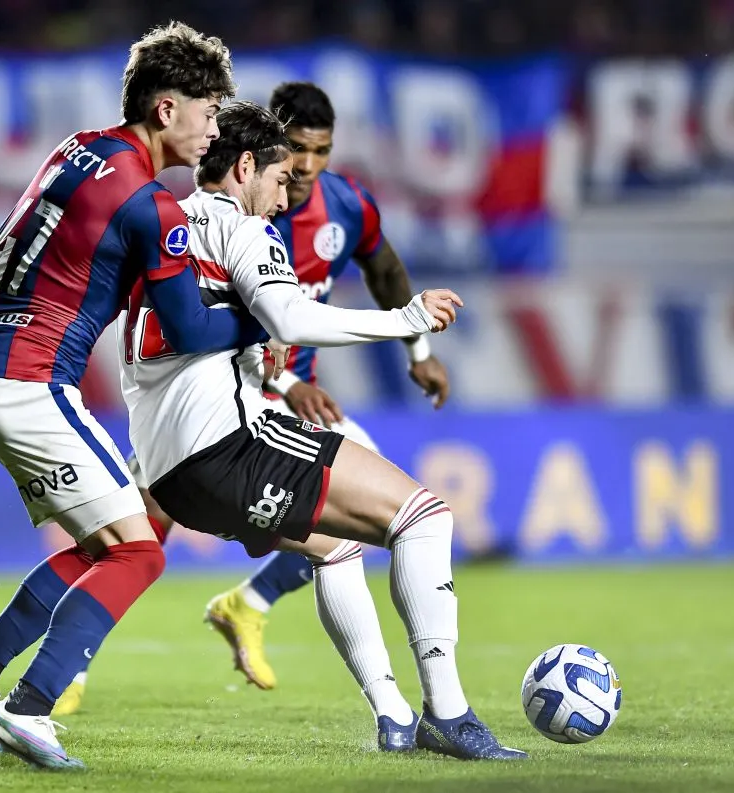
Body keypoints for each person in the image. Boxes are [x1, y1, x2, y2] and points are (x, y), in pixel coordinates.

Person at [0, 22, 261, 769]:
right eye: (208, 112)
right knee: (140, 552)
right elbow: (190, 328)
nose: (214, 130)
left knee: (104, 545)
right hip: (30, 381)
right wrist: (265, 316)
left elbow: (10, 247)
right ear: (166, 109)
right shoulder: (151, 206)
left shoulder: (76, 150)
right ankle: (29, 711)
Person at [118, 100, 525, 760]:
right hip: (229, 447)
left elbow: (192, 330)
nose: (284, 198)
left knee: (334, 548)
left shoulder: (164, 224)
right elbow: (293, 317)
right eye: (279, 178)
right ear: (245, 167)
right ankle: (449, 715)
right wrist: (406, 321)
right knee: (425, 518)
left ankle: (393, 715)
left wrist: (255, 349)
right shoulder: (246, 228)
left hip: (168, 474)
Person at [201, 81, 453, 691]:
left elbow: (385, 270)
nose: (308, 166)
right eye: (297, 150)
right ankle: (70, 664)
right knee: (138, 528)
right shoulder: (246, 215)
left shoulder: (345, 205)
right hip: (230, 391)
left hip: (293, 394)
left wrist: (419, 352)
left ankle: (249, 606)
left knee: (368, 514)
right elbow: (238, 318)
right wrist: (288, 381)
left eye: (322, 150)